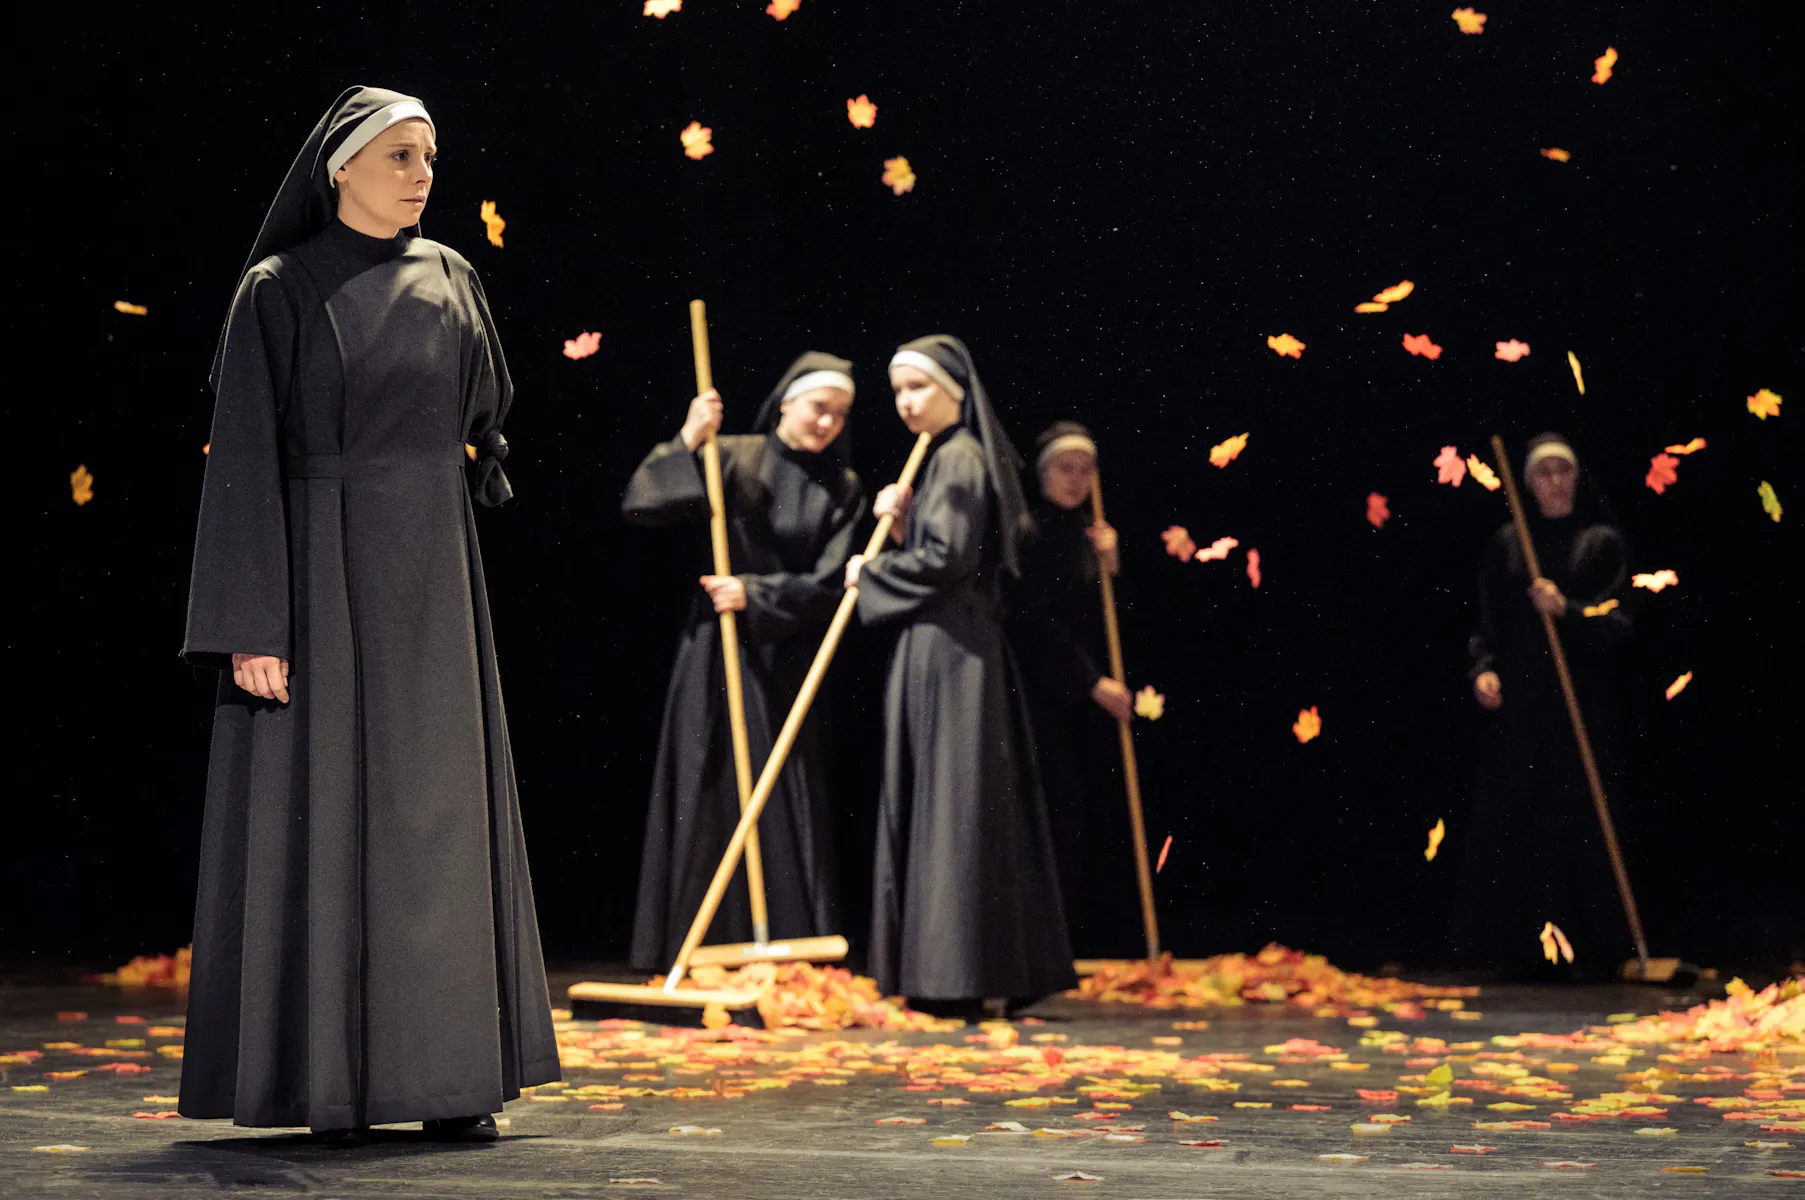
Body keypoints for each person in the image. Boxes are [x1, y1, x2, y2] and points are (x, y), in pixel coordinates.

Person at [178, 86, 558, 1143]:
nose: (421, 174)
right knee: (333, 814)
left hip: (431, 574)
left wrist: (460, 468)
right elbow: (241, 461)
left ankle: (448, 1081)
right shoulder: (278, 289)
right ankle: (333, 1084)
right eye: (399, 155)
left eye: (429, 155)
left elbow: (487, 410)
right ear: (339, 168)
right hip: (318, 574)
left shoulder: (453, 276)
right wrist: (252, 623)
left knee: (438, 824)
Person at [846, 335, 1075, 1014]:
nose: (905, 403)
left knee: (954, 799)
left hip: (952, 652)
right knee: (951, 796)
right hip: (945, 646)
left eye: (917, 387)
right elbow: (946, 553)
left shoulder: (958, 455)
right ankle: (958, 970)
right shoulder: (948, 457)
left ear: (952, 390)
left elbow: (948, 560)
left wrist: (872, 571)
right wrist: (900, 529)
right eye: (897, 391)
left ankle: (956, 975)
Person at [622, 354, 865, 968]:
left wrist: (754, 593)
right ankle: (694, 942)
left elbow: (834, 583)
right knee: (710, 779)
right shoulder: (729, 455)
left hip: (785, 651)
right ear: (786, 403)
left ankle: (782, 939)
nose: (828, 423)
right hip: (718, 648)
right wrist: (688, 439)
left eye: (840, 414)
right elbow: (642, 506)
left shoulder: (843, 486)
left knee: (778, 787)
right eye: (819, 408)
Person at [1455, 432, 1634, 977]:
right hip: (1524, 709)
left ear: (1577, 478)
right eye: (1543, 473)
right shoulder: (1511, 544)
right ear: (1529, 484)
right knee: (1521, 822)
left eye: (1563, 471)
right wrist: (1484, 668)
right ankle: (1517, 951)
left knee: (1583, 824)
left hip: (1583, 708)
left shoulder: (1600, 543)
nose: (1555, 482)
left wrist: (1567, 610)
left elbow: (1619, 622)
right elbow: (1486, 621)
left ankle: (1596, 950)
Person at [1007, 422, 1143, 957]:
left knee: (1095, 813)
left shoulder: (1093, 533)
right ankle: (1050, 943)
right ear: (1043, 472)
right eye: (1065, 468)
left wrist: (1113, 565)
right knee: (1057, 811)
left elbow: (1109, 620)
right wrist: (1088, 681)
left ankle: (1096, 936)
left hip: (1094, 695)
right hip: (1046, 695)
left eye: (1086, 470)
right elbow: (1033, 621)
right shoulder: (1028, 530)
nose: (1076, 479)